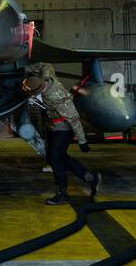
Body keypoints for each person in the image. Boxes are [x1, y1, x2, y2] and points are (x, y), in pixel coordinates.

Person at [22, 62, 102, 205]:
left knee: (54, 159)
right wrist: (27, 69)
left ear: (38, 91)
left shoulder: (57, 98)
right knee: (61, 157)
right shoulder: (47, 76)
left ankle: (62, 193)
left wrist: (82, 141)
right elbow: (46, 65)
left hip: (64, 129)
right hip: (54, 127)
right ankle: (91, 178)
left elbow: (74, 118)